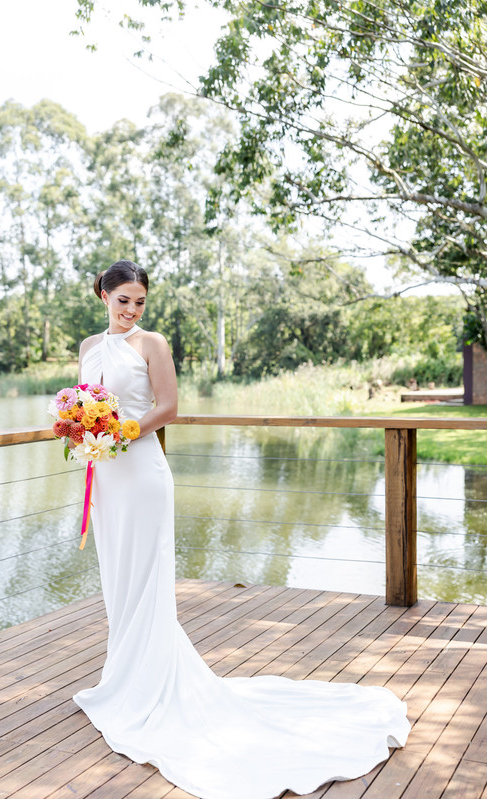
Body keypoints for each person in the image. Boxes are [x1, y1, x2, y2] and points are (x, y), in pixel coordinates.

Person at [73, 260, 410, 799]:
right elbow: (86, 403)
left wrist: (123, 430)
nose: (131, 310)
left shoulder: (151, 344)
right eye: (123, 301)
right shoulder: (90, 347)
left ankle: (146, 688)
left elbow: (170, 408)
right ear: (103, 295)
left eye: (139, 301)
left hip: (141, 471)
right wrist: (80, 427)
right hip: (107, 476)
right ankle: (123, 679)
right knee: (116, 576)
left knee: (145, 579)